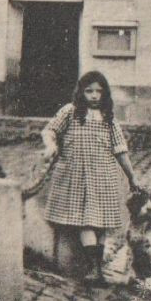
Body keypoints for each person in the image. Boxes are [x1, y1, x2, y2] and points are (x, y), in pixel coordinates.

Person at [40, 70, 141, 285]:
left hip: (102, 176)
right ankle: (94, 268)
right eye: (89, 91)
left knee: (101, 223)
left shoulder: (109, 119)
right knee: (86, 221)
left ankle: (97, 267)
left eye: (98, 91)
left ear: (105, 94)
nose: (94, 96)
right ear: (81, 92)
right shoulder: (71, 112)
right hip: (76, 175)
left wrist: (132, 177)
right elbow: (49, 131)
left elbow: (120, 151)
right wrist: (50, 145)